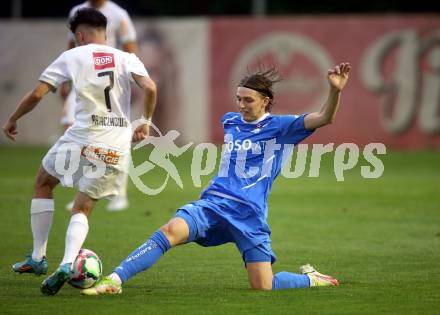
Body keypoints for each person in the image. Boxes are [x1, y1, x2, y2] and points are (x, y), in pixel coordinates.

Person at [81, 62, 351, 295]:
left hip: (249, 216)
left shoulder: (281, 127)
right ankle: (115, 280)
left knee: (264, 286)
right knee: (169, 231)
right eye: (239, 98)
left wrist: (334, 91)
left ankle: (310, 279)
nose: (241, 105)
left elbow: (325, 117)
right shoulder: (230, 121)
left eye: (248, 100)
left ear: (265, 101)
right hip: (214, 204)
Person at [3, 8, 157, 296]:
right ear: (105, 33)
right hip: (116, 143)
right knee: (84, 205)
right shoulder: (127, 58)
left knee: (43, 182)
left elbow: (37, 94)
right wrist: (145, 123)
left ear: (80, 35)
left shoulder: (72, 55)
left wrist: (12, 119)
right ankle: (67, 262)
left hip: (81, 137)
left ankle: (38, 257)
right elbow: (150, 87)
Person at [63, 0, 138, 211]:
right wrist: (65, 81)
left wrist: (130, 79)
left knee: (116, 134)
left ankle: (119, 193)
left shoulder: (119, 14)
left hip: (108, 83)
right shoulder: (76, 11)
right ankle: (85, 189)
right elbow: (70, 46)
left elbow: (130, 47)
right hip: (83, 82)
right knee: (74, 127)